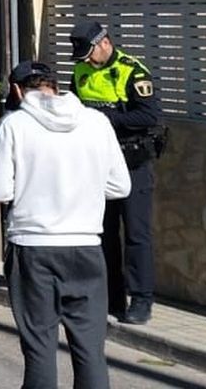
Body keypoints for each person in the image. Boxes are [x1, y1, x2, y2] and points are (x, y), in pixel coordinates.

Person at [0, 60, 131, 389]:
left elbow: (0, 190)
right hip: (87, 247)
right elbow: (120, 186)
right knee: (91, 351)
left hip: (33, 247)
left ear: (16, 91)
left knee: (39, 347)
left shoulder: (14, 125)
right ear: (55, 85)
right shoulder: (96, 122)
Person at [69, 23, 163, 325]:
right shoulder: (81, 71)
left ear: (104, 43)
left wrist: (106, 118)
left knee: (136, 234)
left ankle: (141, 299)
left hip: (132, 162)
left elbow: (149, 115)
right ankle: (112, 297)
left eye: (89, 53)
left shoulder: (132, 71)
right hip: (98, 163)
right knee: (104, 232)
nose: (86, 60)